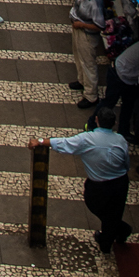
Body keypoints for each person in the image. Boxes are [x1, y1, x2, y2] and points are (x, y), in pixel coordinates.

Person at [31, 107, 132, 253]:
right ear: (114, 123)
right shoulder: (121, 140)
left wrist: (40, 141)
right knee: (115, 212)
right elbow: (126, 164)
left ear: (96, 120)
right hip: (120, 183)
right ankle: (115, 233)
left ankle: (114, 235)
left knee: (101, 210)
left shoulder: (86, 139)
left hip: (98, 186)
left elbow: (64, 143)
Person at [70, 0, 108, 108]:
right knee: (78, 56)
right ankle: (82, 81)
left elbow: (100, 26)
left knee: (88, 64)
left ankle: (91, 96)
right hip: (78, 28)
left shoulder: (95, 3)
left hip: (87, 35)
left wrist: (81, 25)